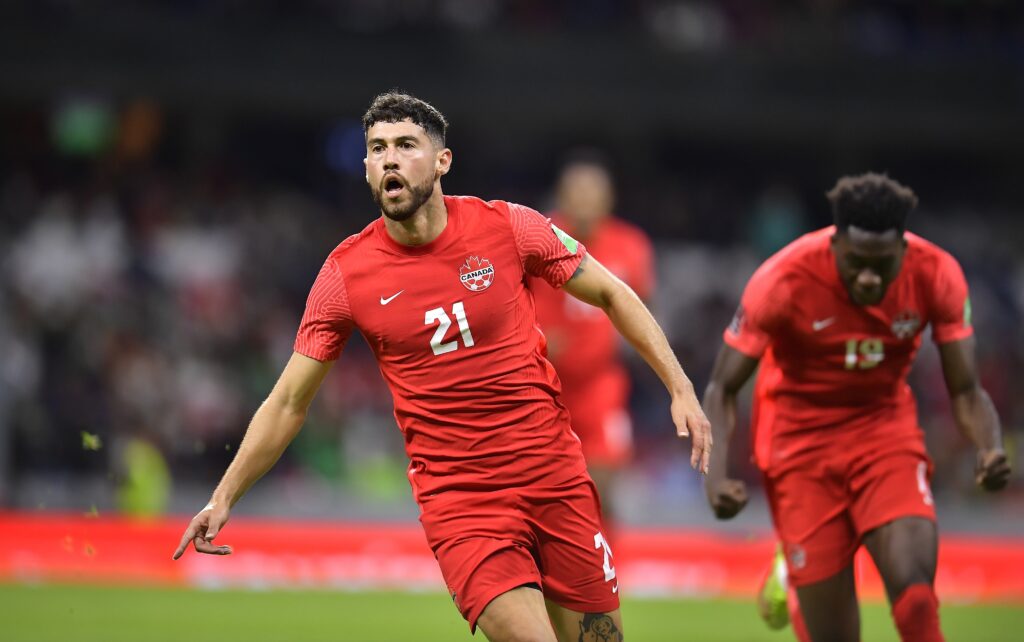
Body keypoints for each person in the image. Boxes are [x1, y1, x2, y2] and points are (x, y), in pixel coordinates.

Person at [172, 92, 712, 642]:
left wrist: (680, 387)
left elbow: (614, 294)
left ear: (442, 161)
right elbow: (289, 400)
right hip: (464, 505)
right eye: (377, 148)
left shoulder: (508, 228)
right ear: (364, 167)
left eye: (406, 145)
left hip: (555, 479)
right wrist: (224, 495)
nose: (390, 159)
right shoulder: (345, 276)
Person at [702, 173, 1011, 642]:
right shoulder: (783, 279)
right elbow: (723, 387)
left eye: (882, 265)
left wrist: (989, 446)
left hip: (884, 432)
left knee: (917, 598)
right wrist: (716, 475)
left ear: (903, 250)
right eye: (856, 264)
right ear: (835, 246)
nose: (869, 276)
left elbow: (965, 390)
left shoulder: (935, 273)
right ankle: (795, 567)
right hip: (798, 446)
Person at [530, 152, 655, 531]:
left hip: (602, 385)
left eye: (592, 193)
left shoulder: (630, 245)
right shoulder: (537, 238)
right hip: (543, 384)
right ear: (561, 196)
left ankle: (605, 578)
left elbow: (642, 309)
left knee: (600, 493)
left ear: (608, 198)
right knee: (540, 494)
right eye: (576, 192)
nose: (584, 200)